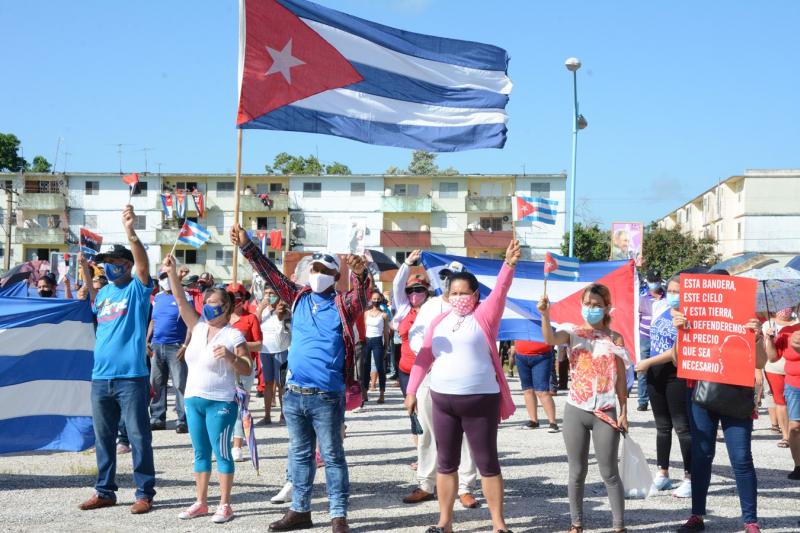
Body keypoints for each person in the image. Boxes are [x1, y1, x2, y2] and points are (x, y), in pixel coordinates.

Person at [231, 223, 370, 533]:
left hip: (326, 395)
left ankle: (338, 516)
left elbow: (361, 296)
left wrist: (361, 275)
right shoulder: (297, 297)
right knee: (299, 454)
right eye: (314, 267)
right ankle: (300, 510)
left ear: (336, 277)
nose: (317, 272)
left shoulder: (343, 304)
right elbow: (271, 274)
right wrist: (247, 247)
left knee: (333, 457)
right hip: (294, 393)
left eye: (324, 269)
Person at [404, 240, 519, 533]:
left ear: (475, 295)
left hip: (480, 400)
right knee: (446, 463)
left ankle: (498, 524)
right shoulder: (439, 320)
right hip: (442, 400)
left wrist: (508, 265)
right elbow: (425, 356)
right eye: (452, 293)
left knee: (487, 463)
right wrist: (411, 391)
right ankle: (444, 522)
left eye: (463, 293)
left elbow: (502, 291)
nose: (457, 297)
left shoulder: (485, 316)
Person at [77, 205, 156, 515]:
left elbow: (143, 263)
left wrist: (131, 232)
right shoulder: (106, 294)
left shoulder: (137, 289)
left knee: (138, 437)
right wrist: (86, 272)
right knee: (104, 437)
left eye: (112, 262)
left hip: (131, 377)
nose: (107, 267)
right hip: (101, 377)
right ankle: (105, 491)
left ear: (126, 264)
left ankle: (144, 492)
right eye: (104, 264)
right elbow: (94, 306)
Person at [162, 255, 252, 523]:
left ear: (227, 307)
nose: (211, 307)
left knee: (222, 452)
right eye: (208, 303)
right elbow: (180, 300)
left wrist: (231, 357)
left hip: (221, 402)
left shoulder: (233, 335)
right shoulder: (198, 327)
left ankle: (225, 504)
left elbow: (247, 367)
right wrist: (172, 273)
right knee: (200, 453)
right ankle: (200, 502)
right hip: (194, 399)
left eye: (216, 304)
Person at [675, 270, 767, 533]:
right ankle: (697, 516)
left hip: (736, 395)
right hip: (700, 393)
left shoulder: (748, 319)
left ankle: (751, 520)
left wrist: (757, 336)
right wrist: (682, 332)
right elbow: (677, 359)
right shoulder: (692, 316)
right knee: (702, 456)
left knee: (741, 458)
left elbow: (761, 362)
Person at [540, 283, 630, 533]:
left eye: (596, 305)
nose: (591, 309)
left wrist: (624, 412)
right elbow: (549, 338)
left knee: (609, 472)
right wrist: (545, 315)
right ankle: (576, 524)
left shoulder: (614, 338)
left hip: (605, 410)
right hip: (576, 410)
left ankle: (619, 526)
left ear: (606, 308)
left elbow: (621, 379)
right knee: (576, 470)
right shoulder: (571, 332)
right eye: (587, 304)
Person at [403, 260, 480, 509]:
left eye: (455, 277)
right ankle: (427, 483)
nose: (449, 282)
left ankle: (466, 487)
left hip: (465, 382)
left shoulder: (476, 309)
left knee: (467, 436)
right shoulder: (431, 306)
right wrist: (429, 351)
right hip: (430, 376)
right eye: (446, 277)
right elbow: (416, 336)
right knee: (427, 433)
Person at [633, 274, 692, 498]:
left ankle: (689, 477)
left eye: (680, 291)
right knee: (662, 427)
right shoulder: (661, 308)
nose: (674, 295)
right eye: (673, 290)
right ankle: (663, 473)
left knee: (682, 427)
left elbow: (677, 354)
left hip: (676, 374)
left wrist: (647, 362)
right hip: (655, 374)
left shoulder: (690, 318)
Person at [146, 271, 191, 433]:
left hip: (177, 346)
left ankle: (182, 419)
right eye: (162, 278)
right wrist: (147, 340)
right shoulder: (157, 297)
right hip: (157, 346)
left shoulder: (184, 296)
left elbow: (191, 322)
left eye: (167, 277)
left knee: (180, 384)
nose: (165, 281)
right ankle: (157, 418)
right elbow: (153, 320)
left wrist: (185, 346)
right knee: (156, 383)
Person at [225, 282, 263, 462]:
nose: (235, 300)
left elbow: (259, 344)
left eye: (238, 296)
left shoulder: (251, 318)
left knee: (241, 406)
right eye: (231, 296)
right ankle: (220, 445)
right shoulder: (221, 319)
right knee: (222, 406)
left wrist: (238, 343)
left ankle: (237, 445)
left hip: (244, 368)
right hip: (223, 367)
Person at [765, 308, 800, 480]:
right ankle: (798, 465)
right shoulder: (786, 332)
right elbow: (772, 358)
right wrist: (770, 340)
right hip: (794, 386)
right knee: (795, 427)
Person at [392, 250, 430, 396]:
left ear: (426, 291)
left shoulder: (433, 309)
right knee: (413, 413)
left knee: (427, 415)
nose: (414, 293)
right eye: (410, 290)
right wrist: (407, 263)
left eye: (419, 289)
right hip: (405, 371)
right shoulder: (404, 308)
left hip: (428, 371)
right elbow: (397, 284)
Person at [256, 286, 291, 425]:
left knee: (282, 383)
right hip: (265, 350)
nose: (268, 296)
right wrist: (261, 308)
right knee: (268, 383)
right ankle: (267, 416)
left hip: (281, 350)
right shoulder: (263, 310)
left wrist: (278, 311)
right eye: (266, 293)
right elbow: (254, 323)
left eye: (271, 293)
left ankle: (283, 415)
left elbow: (284, 319)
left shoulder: (284, 309)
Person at [511, 339, 559, 432]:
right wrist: (513, 345)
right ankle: (533, 421)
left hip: (542, 355)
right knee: (527, 390)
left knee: (542, 391)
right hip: (521, 355)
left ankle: (553, 422)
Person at [637, 269, 666, 411]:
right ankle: (642, 400)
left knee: (659, 368)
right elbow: (637, 317)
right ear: (647, 282)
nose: (655, 283)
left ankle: (659, 396)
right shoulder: (642, 298)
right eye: (652, 281)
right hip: (645, 337)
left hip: (660, 338)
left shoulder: (667, 297)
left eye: (656, 280)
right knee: (643, 368)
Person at [363, 290, 390, 404]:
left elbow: (386, 332)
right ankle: (364, 392)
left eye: (378, 299)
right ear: (370, 300)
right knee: (365, 367)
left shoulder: (384, 315)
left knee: (380, 368)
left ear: (381, 300)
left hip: (378, 341)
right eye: (374, 299)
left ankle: (382, 393)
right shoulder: (366, 313)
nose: (376, 301)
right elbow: (364, 328)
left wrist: (386, 346)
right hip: (367, 341)